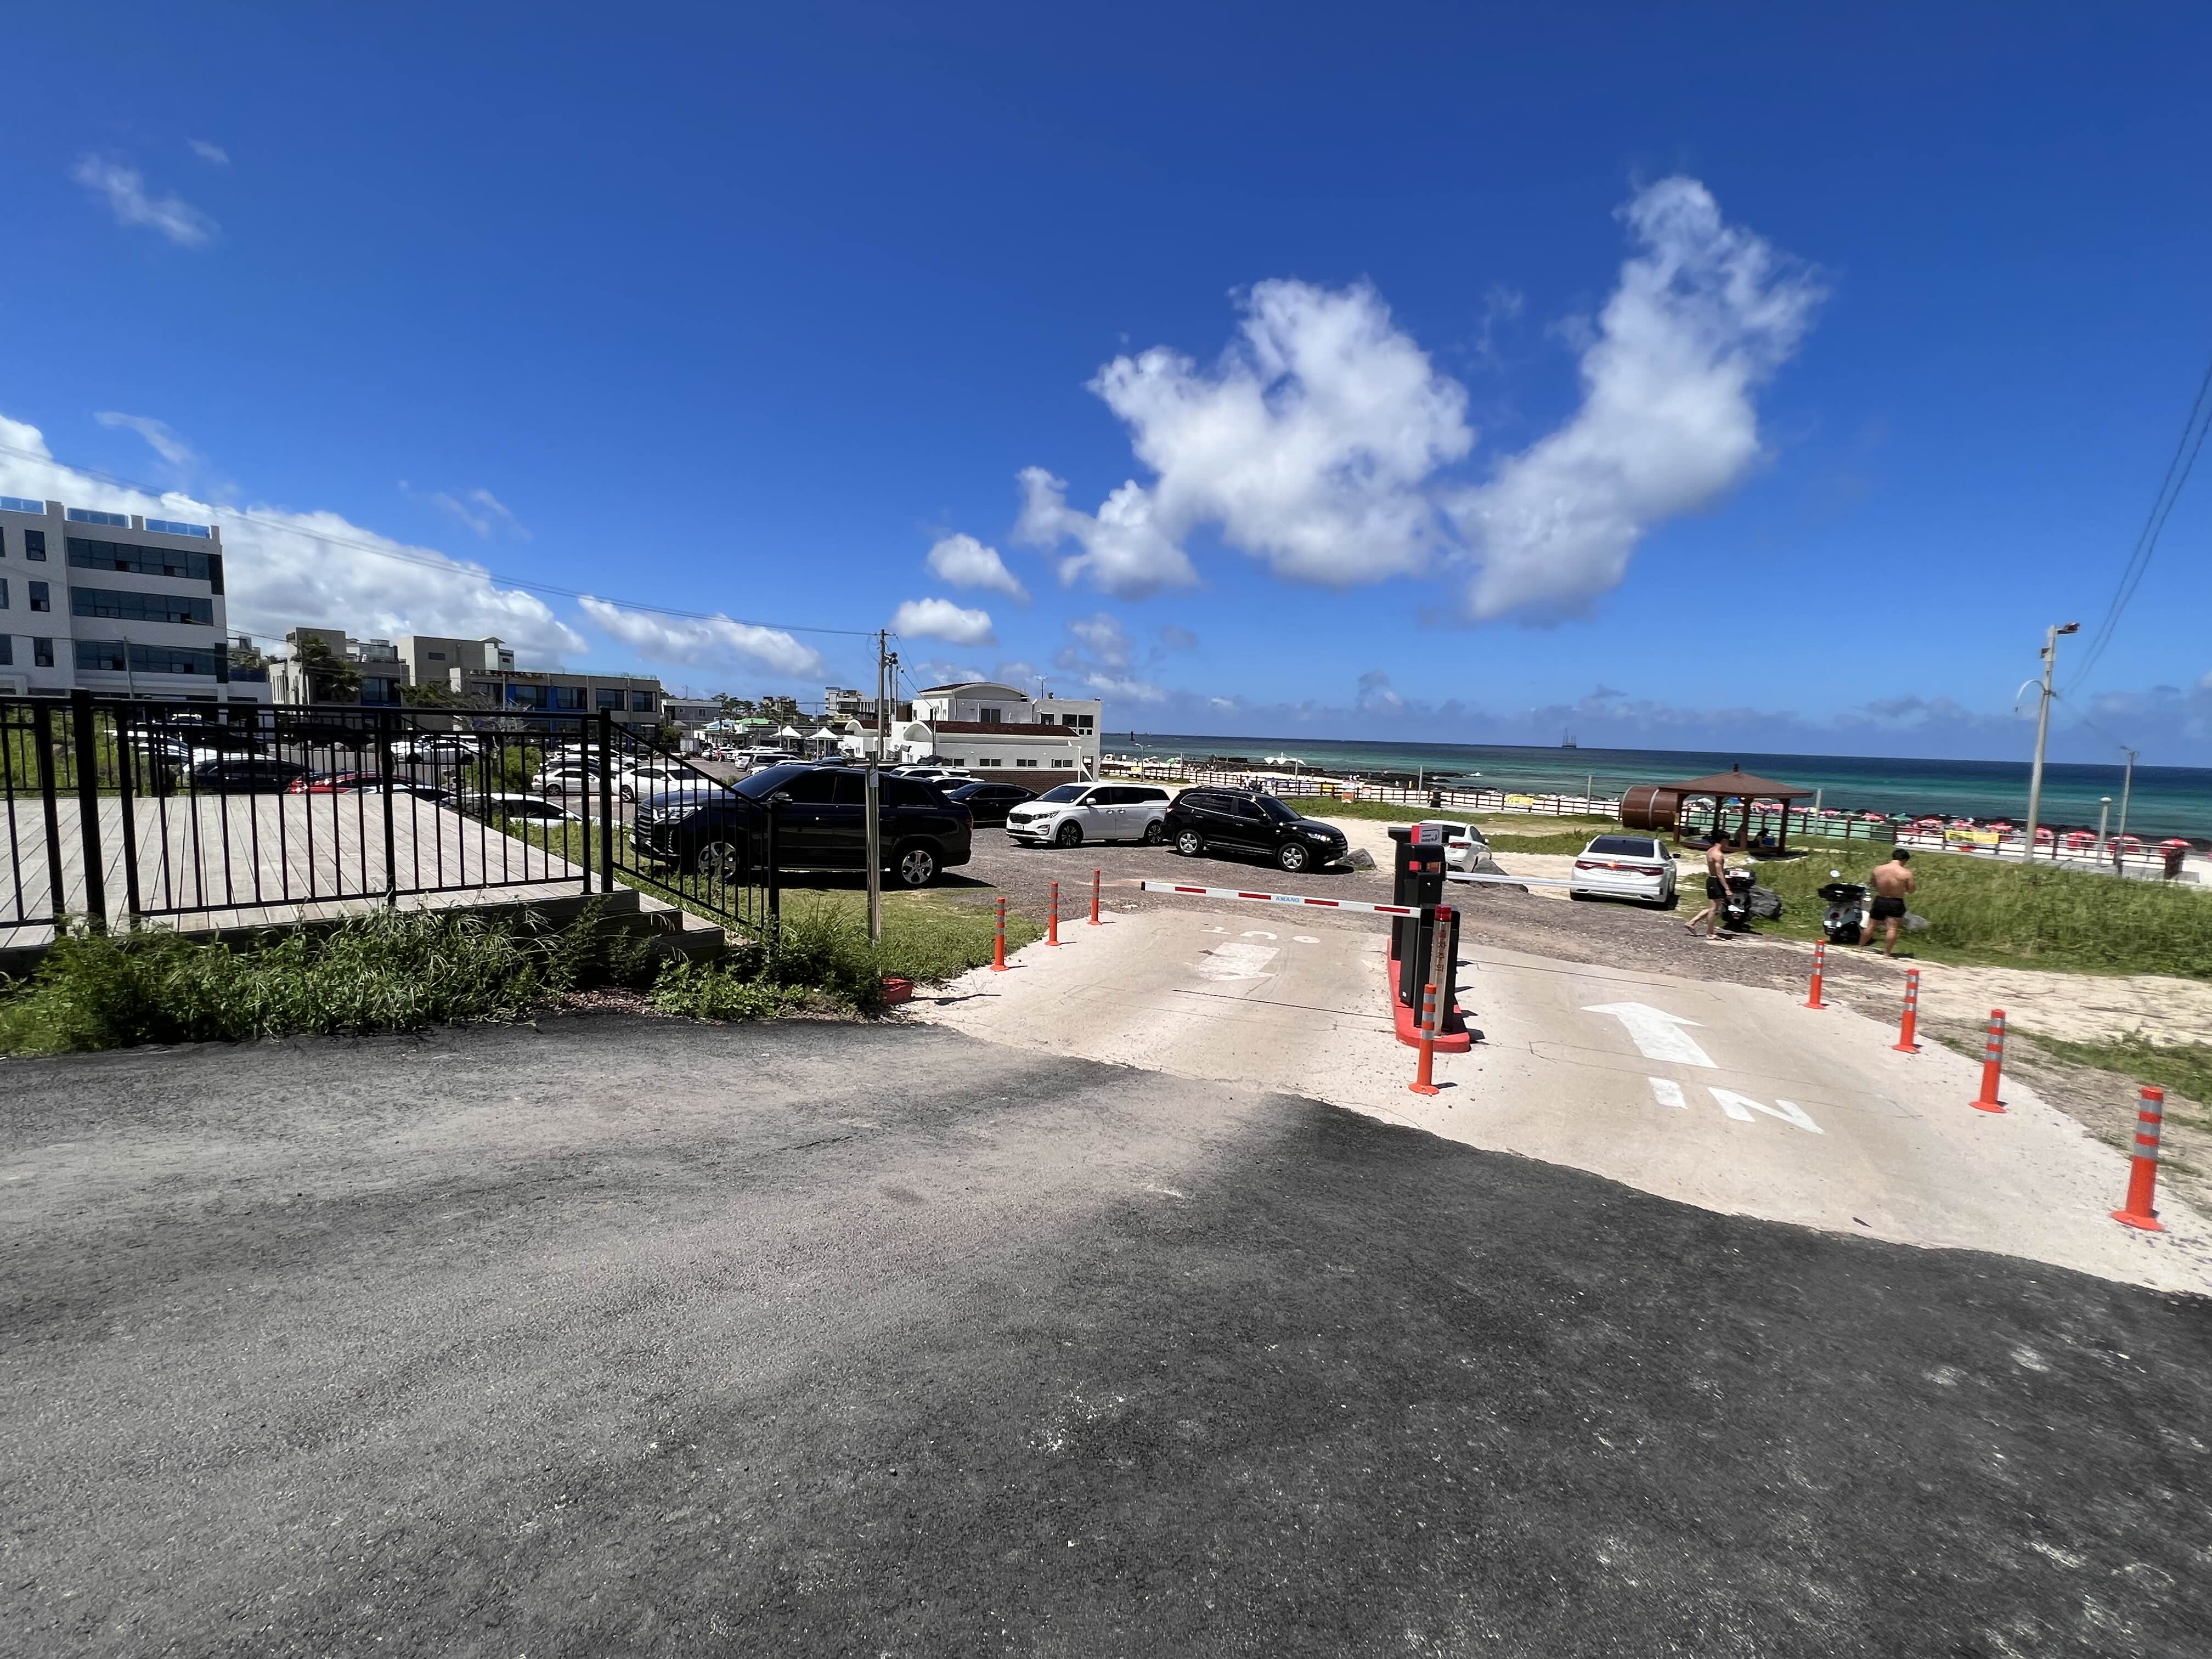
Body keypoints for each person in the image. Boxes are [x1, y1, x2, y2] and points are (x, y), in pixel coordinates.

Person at [1864, 848, 1916, 955]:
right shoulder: (1906, 873)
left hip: (1880, 899)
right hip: (1896, 901)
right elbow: (1911, 890)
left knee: (1871, 926)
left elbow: (1873, 883)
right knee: (1892, 928)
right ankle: (1887, 953)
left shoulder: (1878, 869)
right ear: (1905, 860)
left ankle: (1860, 947)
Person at [1684, 834, 1733, 939]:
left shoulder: (1710, 850)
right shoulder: (1718, 855)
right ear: (1724, 840)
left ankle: (1692, 922)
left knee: (1714, 907)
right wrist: (1727, 888)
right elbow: (1719, 873)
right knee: (1714, 909)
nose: (1729, 843)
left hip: (1711, 880)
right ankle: (1710, 933)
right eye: (1728, 840)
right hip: (1715, 881)